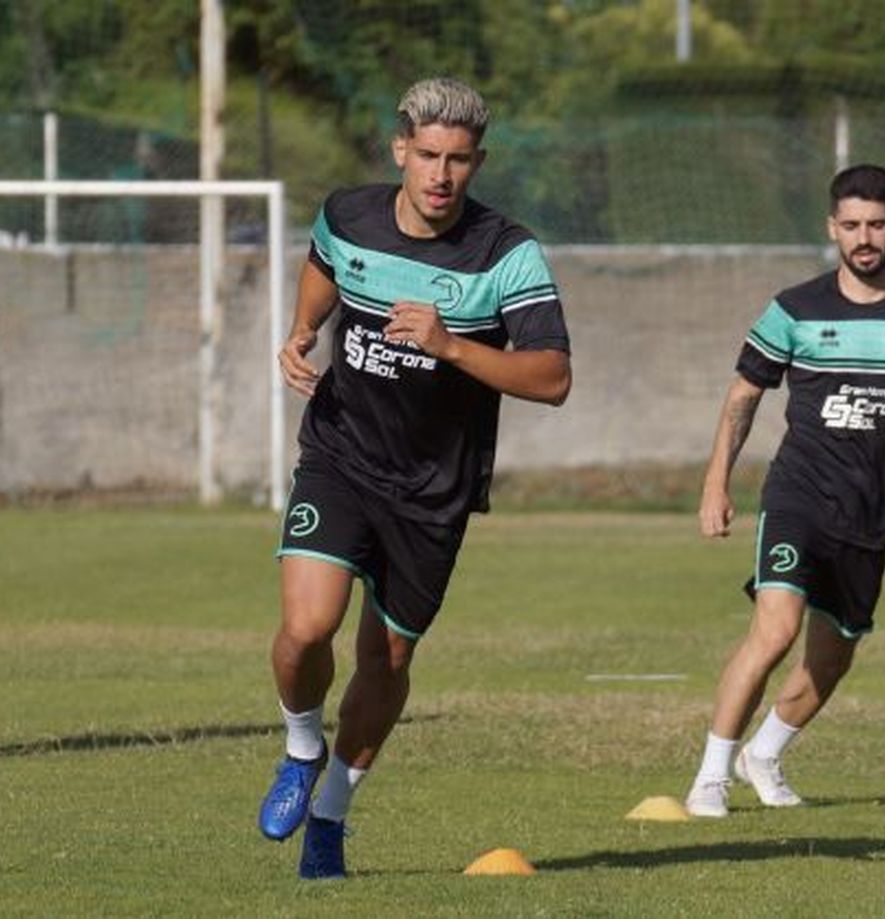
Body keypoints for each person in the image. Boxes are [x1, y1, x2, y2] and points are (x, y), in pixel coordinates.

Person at [258, 77, 571, 879]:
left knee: (385, 662)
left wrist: (454, 345)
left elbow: (553, 376)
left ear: (478, 163)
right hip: (340, 455)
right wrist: (301, 330)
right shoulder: (350, 214)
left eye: (459, 160)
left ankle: (330, 812)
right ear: (401, 149)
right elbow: (324, 263)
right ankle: (300, 745)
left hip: (435, 490)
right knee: (304, 629)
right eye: (428, 155)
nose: (441, 175)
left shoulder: (507, 253)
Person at [683, 164, 885, 818]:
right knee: (775, 628)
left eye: (876, 224)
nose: (864, 237)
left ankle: (765, 753)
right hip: (797, 497)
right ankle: (711, 775)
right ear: (831, 228)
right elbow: (744, 395)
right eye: (851, 225)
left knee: (833, 657)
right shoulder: (794, 309)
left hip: (868, 514)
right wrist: (715, 483)